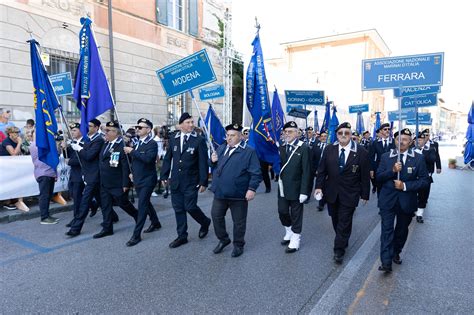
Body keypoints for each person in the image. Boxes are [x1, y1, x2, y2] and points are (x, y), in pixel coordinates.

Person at [315, 122, 370, 263]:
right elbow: (322, 171)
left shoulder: (361, 151)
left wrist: (365, 194)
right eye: (340, 133)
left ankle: (338, 250)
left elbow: (364, 175)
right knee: (335, 219)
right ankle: (342, 238)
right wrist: (318, 187)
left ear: (351, 134)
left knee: (344, 221)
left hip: (350, 193)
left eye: (346, 132)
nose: (344, 135)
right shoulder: (329, 149)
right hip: (332, 192)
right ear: (336, 135)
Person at [376, 128, 429, 272]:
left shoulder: (418, 158)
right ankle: (386, 262)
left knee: (401, 231)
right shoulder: (386, 156)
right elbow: (378, 177)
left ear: (411, 142)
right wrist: (392, 171)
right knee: (387, 231)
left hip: (407, 201)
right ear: (395, 140)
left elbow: (425, 181)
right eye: (398, 139)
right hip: (388, 200)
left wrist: (405, 185)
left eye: (405, 139)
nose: (401, 141)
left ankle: (396, 252)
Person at [209, 123, 262, 257]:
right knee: (216, 217)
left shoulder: (248, 151)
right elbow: (216, 167)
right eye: (227, 135)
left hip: (238, 194)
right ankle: (223, 239)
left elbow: (256, 173)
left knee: (238, 222)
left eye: (232, 135)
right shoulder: (221, 148)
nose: (229, 138)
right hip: (220, 192)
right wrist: (212, 161)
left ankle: (238, 245)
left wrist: (252, 189)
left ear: (240, 137)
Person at [160, 112, 211, 248]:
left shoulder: (198, 140)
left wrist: (203, 181)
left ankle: (204, 222)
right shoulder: (173, 138)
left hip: (191, 180)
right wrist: (164, 175)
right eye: (188, 122)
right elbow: (167, 158)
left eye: (192, 122)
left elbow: (203, 163)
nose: (191, 125)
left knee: (190, 207)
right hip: (176, 180)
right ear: (180, 125)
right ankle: (182, 236)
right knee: (178, 209)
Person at [93, 121, 138, 239]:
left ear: (116, 133)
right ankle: (107, 228)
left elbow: (125, 166)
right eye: (105, 130)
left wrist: (125, 184)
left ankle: (137, 216)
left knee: (123, 203)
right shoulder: (105, 144)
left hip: (116, 182)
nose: (105, 132)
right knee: (105, 205)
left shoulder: (121, 145)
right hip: (104, 181)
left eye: (108, 130)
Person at [123, 118, 162, 247]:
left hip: (147, 180)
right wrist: (132, 172)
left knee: (142, 205)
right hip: (138, 178)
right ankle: (155, 222)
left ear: (148, 130)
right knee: (146, 202)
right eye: (137, 127)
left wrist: (132, 151)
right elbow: (135, 161)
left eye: (141, 127)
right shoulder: (137, 143)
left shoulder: (152, 144)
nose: (137, 129)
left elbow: (148, 159)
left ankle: (136, 235)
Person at [66, 119, 106, 237]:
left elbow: (88, 156)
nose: (87, 128)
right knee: (101, 199)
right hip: (87, 173)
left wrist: (79, 149)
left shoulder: (98, 140)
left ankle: (76, 228)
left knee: (84, 202)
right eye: (87, 126)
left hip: (94, 175)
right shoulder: (89, 139)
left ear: (97, 128)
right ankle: (112, 217)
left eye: (90, 126)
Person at [277, 121, 312, 253]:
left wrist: (304, 191)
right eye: (285, 132)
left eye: (290, 131)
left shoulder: (303, 148)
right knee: (282, 211)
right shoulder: (281, 146)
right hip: (282, 187)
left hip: (297, 188)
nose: (287, 134)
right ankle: (289, 231)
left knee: (296, 214)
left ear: (297, 133)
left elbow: (307, 170)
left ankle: (296, 238)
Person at [29, 129, 59, 224]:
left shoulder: (46, 145)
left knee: (49, 195)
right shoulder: (35, 145)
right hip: (43, 173)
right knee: (44, 196)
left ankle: (47, 214)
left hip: (50, 172)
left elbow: (56, 155)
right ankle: (44, 217)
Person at [0, 126, 29, 211]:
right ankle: (7, 202)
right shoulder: (6, 142)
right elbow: (13, 154)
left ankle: (16, 200)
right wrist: (19, 143)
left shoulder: (16, 141)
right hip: (5, 166)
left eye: (17, 133)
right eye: (15, 133)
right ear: (10, 134)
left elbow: (21, 152)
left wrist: (21, 144)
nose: (17, 135)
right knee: (8, 183)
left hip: (13, 166)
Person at [64, 123, 85, 228]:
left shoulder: (85, 142)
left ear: (81, 131)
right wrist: (64, 148)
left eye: (75, 130)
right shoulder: (72, 142)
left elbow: (82, 158)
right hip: (73, 173)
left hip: (82, 173)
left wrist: (70, 162)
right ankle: (93, 205)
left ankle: (76, 218)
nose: (72, 132)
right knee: (73, 193)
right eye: (72, 131)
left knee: (77, 196)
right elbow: (67, 156)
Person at [414, 132, 438, 223]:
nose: (419, 141)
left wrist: (420, 153)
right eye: (417, 140)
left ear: (424, 141)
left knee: (423, 196)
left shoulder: (430, 150)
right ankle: (412, 209)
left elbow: (432, 159)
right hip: (413, 177)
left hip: (425, 177)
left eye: (421, 140)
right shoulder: (411, 150)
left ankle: (419, 214)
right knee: (412, 195)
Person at [369, 123, 395, 196]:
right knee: (380, 190)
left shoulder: (394, 142)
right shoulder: (375, 143)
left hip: (392, 170)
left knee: (391, 190)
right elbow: (371, 157)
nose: (387, 131)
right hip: (379, 170)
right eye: (385, 129)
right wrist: (371, 169)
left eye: (388, 129)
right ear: (380, 131)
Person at [311, 130, 328, 211]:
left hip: (328, 171)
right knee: (319, 186)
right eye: (322, 136)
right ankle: (320, 204)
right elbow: (312, 159)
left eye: (325, 136)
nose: (324, 137)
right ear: (320, 137)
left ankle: (325, 199)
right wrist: (314, 169)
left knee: (326, 186)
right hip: (318, 171)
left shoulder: (330, 146)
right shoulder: (315, 145)